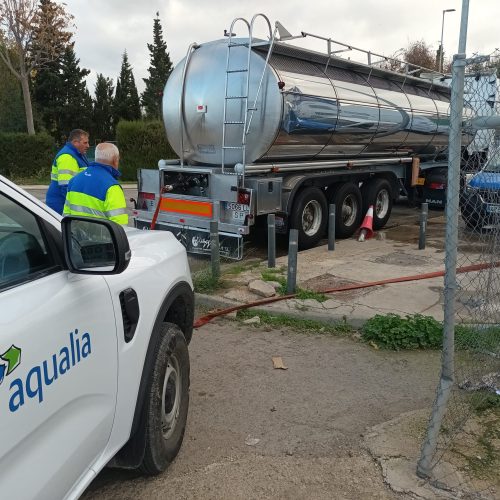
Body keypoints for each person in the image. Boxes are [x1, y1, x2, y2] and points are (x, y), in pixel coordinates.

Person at [63, 142, 128, 225]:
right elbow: (120, 225)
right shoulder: (112, 187)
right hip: (101, 237)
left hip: (77, 236)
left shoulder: (74, 180)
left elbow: (66, 215)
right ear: (115, 160)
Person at [46, 129, 90, 214]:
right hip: (60, 205)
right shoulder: (67, 157)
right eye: (85, 143)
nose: (88, 146)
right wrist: (76, 208)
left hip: (62, 203)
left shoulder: (77, 154)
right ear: (75, 142)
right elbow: (66, 187)